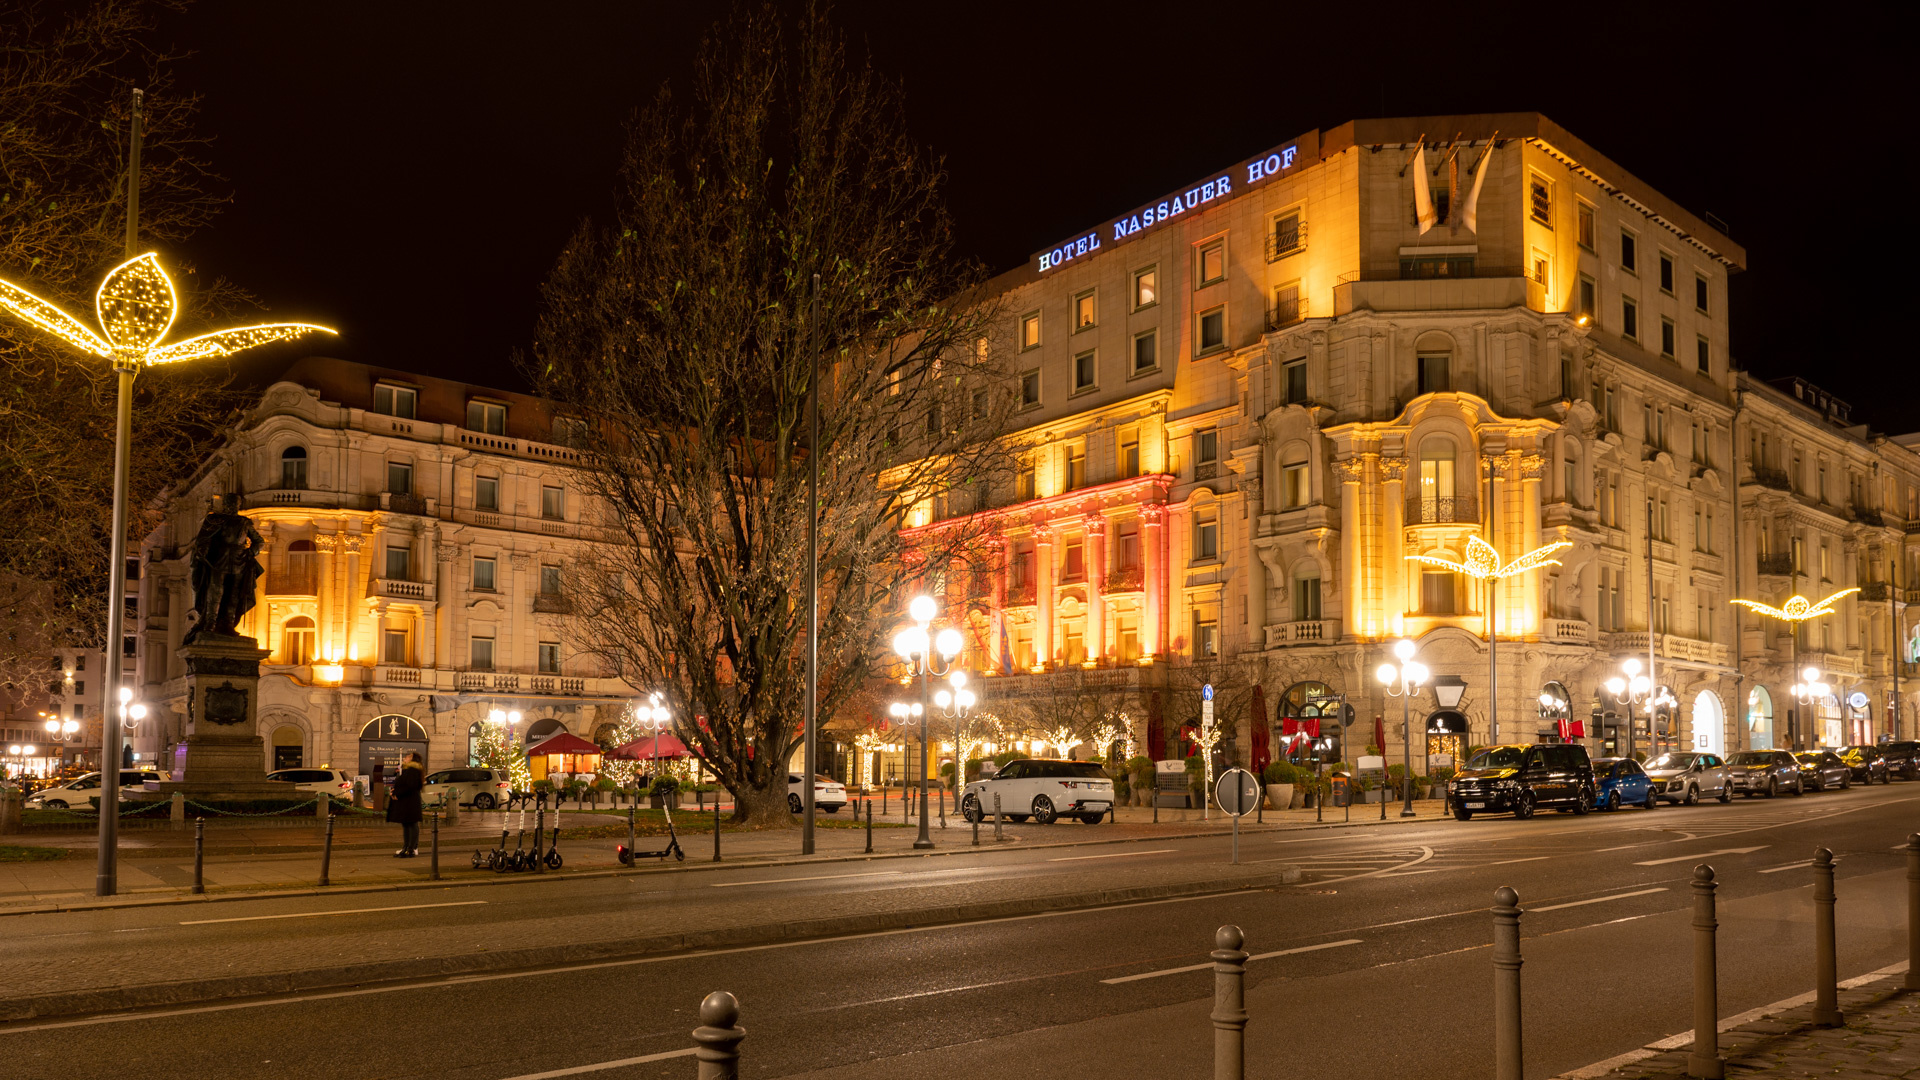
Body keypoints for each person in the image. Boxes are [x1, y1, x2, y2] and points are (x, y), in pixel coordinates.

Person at [387, 752, 426, 857]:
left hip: (410, 802)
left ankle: (411, 848)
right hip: (407, 802)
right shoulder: (409, 770)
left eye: (408, 756)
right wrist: (395, 791)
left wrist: (397, 793)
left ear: (413, 759)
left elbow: (410, 786)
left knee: (411, 824)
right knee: (407, 825)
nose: (405, 758)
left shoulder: (413, 770)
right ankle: (406, 847)